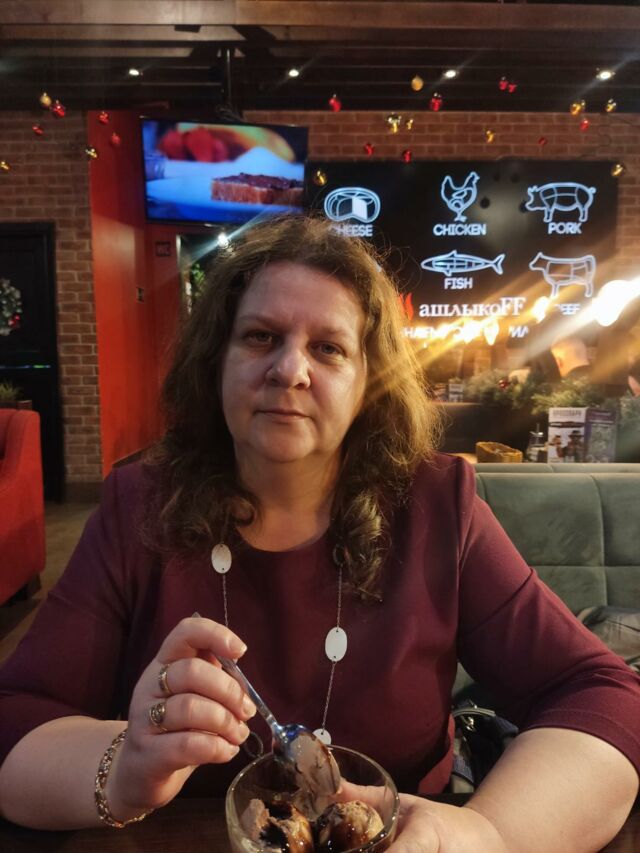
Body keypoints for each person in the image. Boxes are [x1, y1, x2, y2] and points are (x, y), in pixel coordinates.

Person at [0, 216, 639, 851]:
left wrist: (486, 831)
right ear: (216, 361)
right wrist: (126, 765)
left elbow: (604, 697)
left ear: (368, 384)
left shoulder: (439, 504)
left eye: (329, 348)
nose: (289, 369)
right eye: (260, 336)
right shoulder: (138, 505)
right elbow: (16, 719)